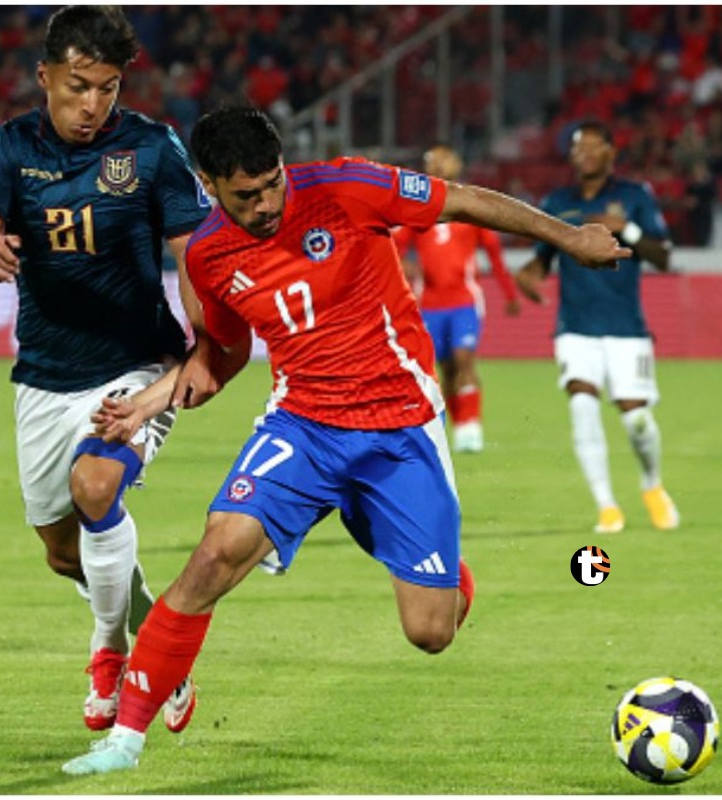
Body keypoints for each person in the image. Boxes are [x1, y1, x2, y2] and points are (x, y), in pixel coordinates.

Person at [60, 106, 628, 775]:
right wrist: (147, 404)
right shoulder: (210, 257)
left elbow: (464, 201)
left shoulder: (345, 188)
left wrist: (570, 238)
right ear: (211, 186)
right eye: (247, 195)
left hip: (398, 429)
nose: (268, 203)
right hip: (303, 427)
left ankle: (434, 567)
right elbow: (221, 354)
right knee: (215, 553)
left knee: (430, 632)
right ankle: (125, 740)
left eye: (272, 183)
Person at [0, 6, 207, 735]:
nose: (94, 105)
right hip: (44, 375)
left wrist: (207, 344)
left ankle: (109, 652)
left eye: (109, 88)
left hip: (137, 362)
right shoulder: (8, 147)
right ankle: (163, 645)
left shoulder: (153, 149)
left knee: (98, 485)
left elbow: (196, 257)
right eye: (78, 86)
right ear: (45, 77)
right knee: (64, 554)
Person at [514, 119, 680, 535]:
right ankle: (607, 506)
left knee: (637, 421)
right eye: (577, 147)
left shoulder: (634, 196)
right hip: (575, 326)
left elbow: (663, 257)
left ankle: (652, 485)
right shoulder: (557, 202)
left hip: (626, 327)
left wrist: (630, 229)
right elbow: (542, 257)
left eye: (592, 146)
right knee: (582, 405)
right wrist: (529, 274)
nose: (583, 153)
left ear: (610, 151)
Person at [392, 144, 520, 455]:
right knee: (445, 368)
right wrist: (402, 265)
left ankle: (470, 426)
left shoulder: (470, 211)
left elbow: (494, 254)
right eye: (429, 165)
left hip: (464, 301)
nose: (431, 170)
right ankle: (456, 419)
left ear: (450, 167)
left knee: (464, 358)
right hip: (430, 304)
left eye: (436, 164)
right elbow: (394, 246)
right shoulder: (419, 214)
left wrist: (509, 293)